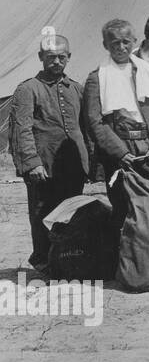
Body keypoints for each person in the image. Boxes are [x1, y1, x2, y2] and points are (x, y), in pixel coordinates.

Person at [82, 20, 149, 237]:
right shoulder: (97, 79)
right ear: (106, 45)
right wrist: (119, 153)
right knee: (125, 207)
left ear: (133, 42)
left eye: (125, 42)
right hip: (120, 148)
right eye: (115, 43)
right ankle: (129, 266)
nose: (121, 48)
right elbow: (95, 122)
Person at [8, 34, 90, 272]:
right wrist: (32, 163)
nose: (56, 61)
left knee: (72, 214)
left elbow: (85, 129)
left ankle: (67, 261)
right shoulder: (27, 89)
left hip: (73, 166)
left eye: (61, 57)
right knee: (42, 213)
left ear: (69, 57)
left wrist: (90, 164)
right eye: (51, 57)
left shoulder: (77, 89)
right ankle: (43, 262)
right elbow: (21, 129)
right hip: (42, 167)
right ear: (41, 57)